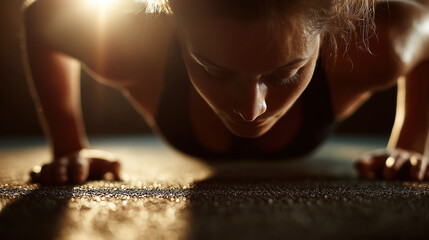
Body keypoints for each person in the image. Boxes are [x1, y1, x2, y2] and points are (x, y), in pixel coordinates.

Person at [22, 0, 429, 184]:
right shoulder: (134, 45)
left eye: (287, 72)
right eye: (213, 70)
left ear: (330, 32)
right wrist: (69, 147)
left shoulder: (379, 44)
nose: (252, 110)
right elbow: (39, 18)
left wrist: (409, 145)